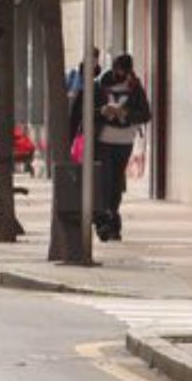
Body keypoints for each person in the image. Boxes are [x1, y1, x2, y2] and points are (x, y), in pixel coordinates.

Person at [70, 52, 151, 242]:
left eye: (124, 71)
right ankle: (103, 219)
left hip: (124, 141)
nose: (120, 75)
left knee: (116, 183)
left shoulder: (135, 88)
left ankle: (113, 219)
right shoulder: (98, 85)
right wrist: (102, 111)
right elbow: (82, 111)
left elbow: (146, 114)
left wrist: (126, 114)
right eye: (117, 70)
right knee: (104, 180)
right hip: (103, 140)